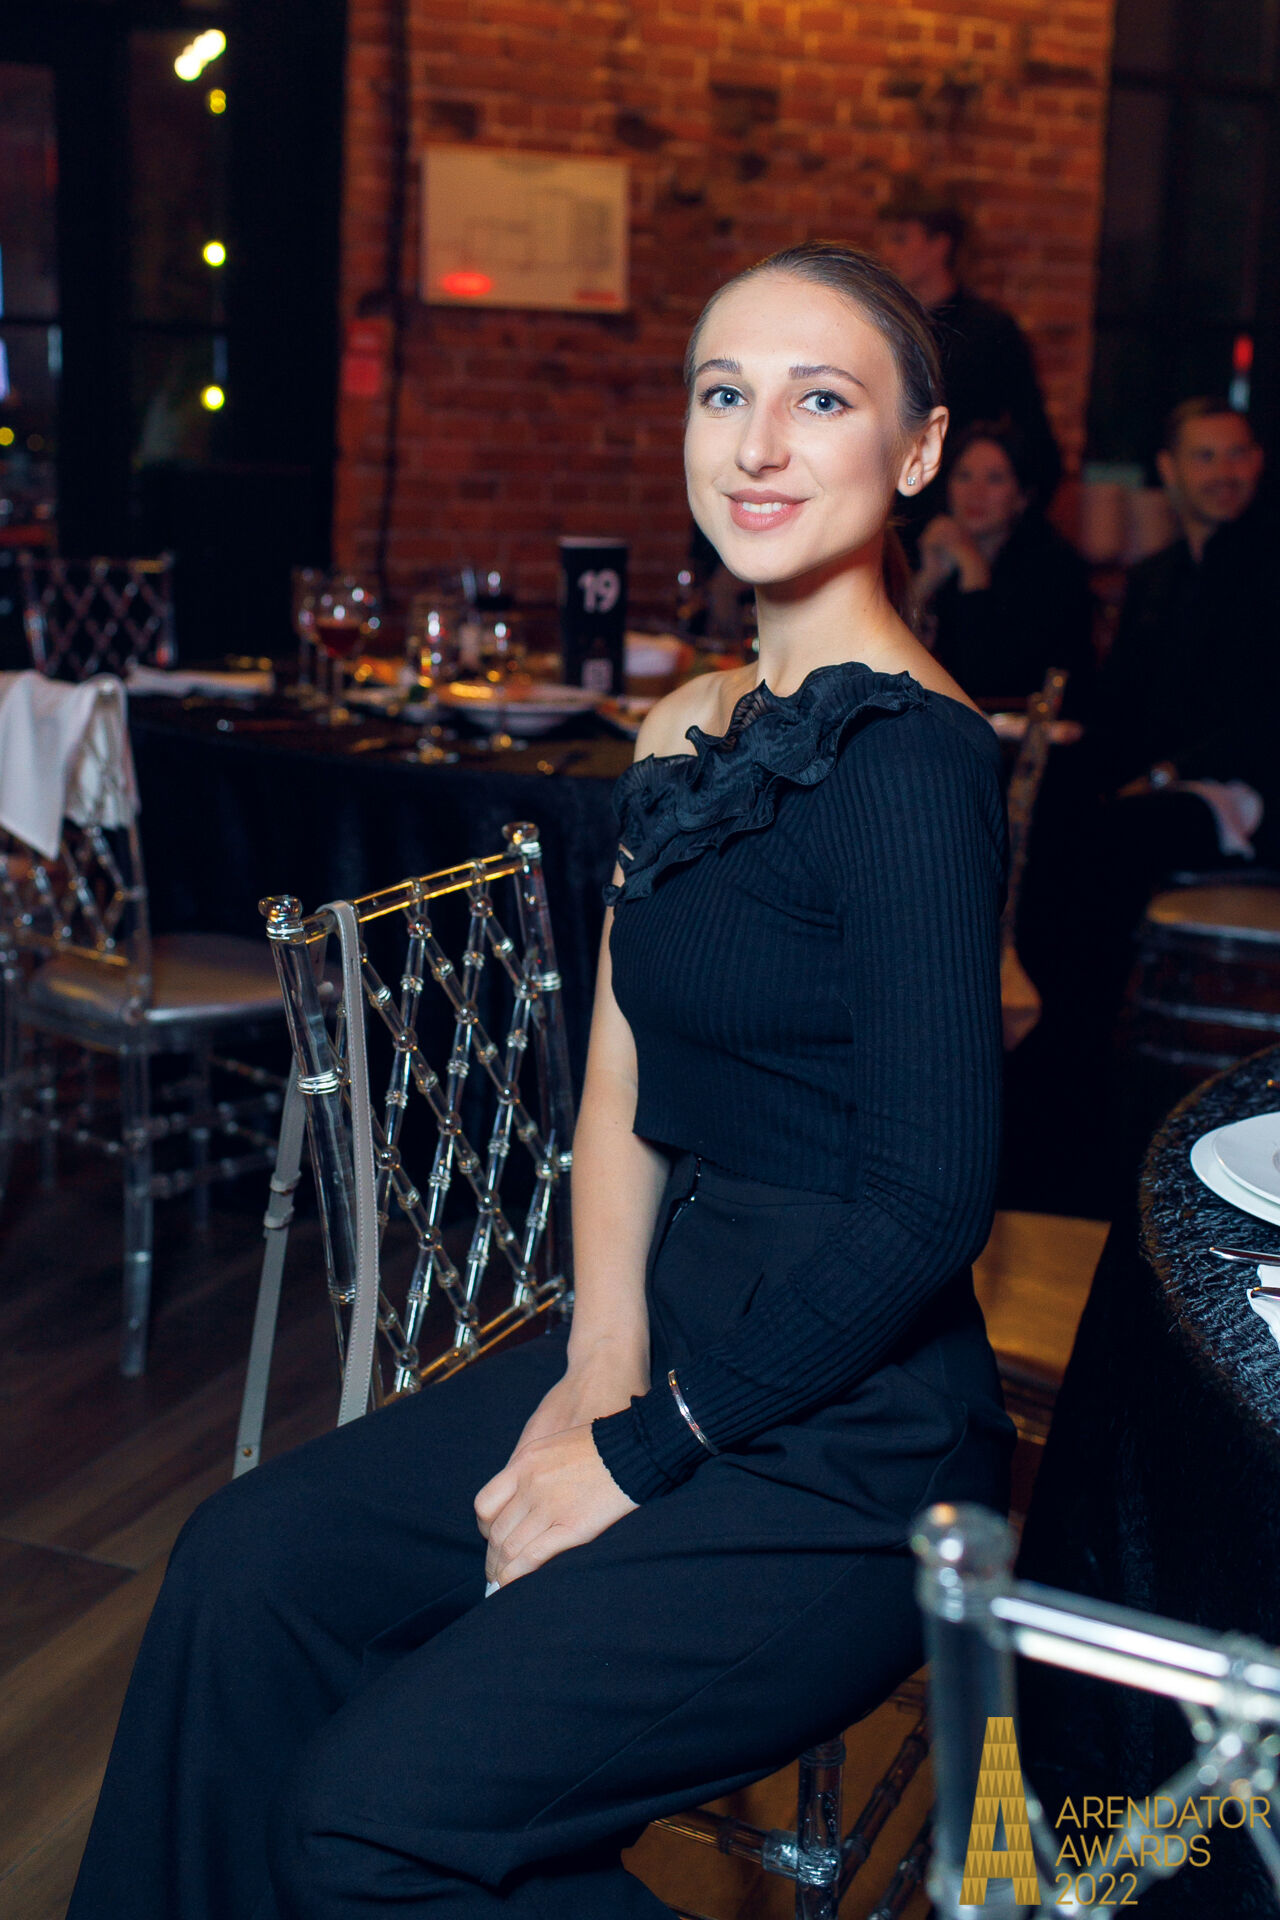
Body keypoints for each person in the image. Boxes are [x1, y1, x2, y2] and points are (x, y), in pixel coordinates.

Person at [68, 244, 1015, 1920]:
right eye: (723, 394)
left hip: (847, 1437)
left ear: (920, 450)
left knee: (366, 1826)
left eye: (821, 400)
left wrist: (645, 1448)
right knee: (241, 1571)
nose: (758, 445)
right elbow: (617, 1091)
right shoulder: (683, 731)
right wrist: (598, 1361)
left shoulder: (914, 764)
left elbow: (931, 1207)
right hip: (673, 1343)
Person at [1093, 398, 1277, 873]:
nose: (1224, 473)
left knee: (1117, 833)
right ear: (1168, 469)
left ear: (1258, 461)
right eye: (1205, 457)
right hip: (1159, 783)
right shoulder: (1153, 577)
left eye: (1237, 455)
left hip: (1249, 790)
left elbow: (1261, 719)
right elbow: (1120, 703)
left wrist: (1167, 774)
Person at [876, 187, 1062, 542]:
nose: (887, 253)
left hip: (966, 519)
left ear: (939, 245)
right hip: (893, 516)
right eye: (885, 240)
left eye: (900, 239)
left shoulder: (989, 330)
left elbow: (1034, 438)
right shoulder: (886, 328)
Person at [913, 418, 1095, 713]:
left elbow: (986, 681)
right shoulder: (940, 553)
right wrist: (926, 581)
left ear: (1022, 497)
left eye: (995, 479)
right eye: (963, 476)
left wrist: (974, 573)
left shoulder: (1054, 569)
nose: (975, 492)